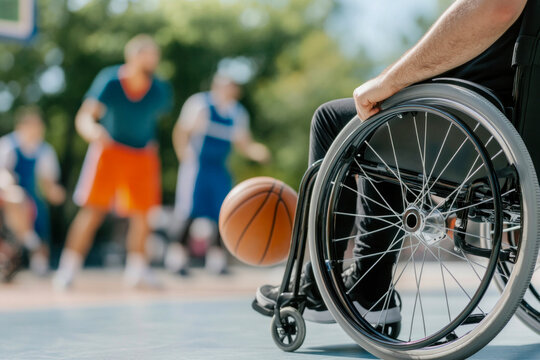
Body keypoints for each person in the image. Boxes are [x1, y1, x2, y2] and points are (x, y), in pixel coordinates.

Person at [255, 0, 528, 323]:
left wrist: (391, 81)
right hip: (507, 126)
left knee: (343, 118)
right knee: (390, 122)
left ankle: (322, 286)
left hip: (481, 125)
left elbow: (496, 6)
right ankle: (369, 290)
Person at [53, 34, 173, 290]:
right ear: (133, 56)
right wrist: (93, 131)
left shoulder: (160, 89)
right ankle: (68, 269)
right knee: (93, 210)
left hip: (143, 155)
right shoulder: (110, 80)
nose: (152, 60)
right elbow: (85, 116)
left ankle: (138, 270)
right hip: (110, 151)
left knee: (143, 215)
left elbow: (152, 120)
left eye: (155, 55)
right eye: (147, 54)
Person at [167, 74, 270, 275]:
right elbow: (181, 131)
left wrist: (257, 151)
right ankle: (176, 260)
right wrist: (183, 154)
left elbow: (244, 143)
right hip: (197, 165)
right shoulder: (200, 105)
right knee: (188, 212)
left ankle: (217, 262)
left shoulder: (237, 112)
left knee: (224, 213)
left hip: (219, 168)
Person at [0, 107, 65, 277]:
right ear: (23, 126)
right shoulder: (8, 145)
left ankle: (37, 258)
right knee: (16, 197)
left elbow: (49, 184)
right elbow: (3, 174)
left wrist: (56, 193)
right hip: (7, 196)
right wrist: (8, 185)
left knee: (36, 213)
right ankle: (29, 240)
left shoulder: (44, 150)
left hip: (30, 201)